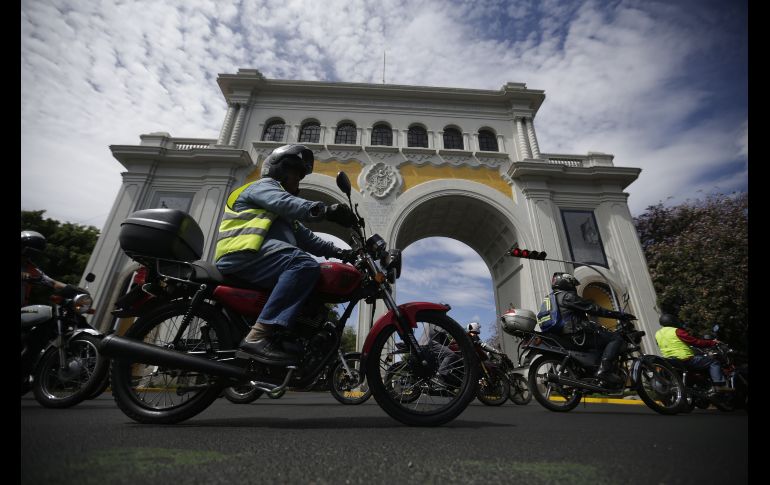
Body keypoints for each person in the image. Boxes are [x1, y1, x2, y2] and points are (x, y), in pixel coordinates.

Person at [214, 144, 356, 366]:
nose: (298, 183)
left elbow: (310, 239)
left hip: (257, 259)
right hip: (240, 253)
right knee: (303, 265)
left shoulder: (283, 215)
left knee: (311, 285)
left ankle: (282, 337)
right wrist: (326, 210)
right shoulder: (262, 187)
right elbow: (285, 202)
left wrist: (344, 253)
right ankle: (258, 336)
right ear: (280, 171)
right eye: (295, 176)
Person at [539, 272, 635, 385]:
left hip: (562, 335)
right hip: (576, 334)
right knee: (616, 339)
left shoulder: (550, 298)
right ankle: (604, 371)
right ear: (566, 282)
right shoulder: (567, 296)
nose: (574, 287)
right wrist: (618, 315)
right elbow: (593, 308)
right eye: (572, 284)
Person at [655, 313, 732, 393]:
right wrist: (712, 342)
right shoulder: (677, 331)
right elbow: (695, 342)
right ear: (672, 321)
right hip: (685, 359)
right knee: (713, 362)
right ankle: (719, 385)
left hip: (670, 361)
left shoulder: (657, 334)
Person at [21, 230, 66, 307]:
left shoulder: (30, 268)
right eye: (29, 252)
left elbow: (53, 283)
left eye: (34, 253)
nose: (30, 256)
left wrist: (71, 288)